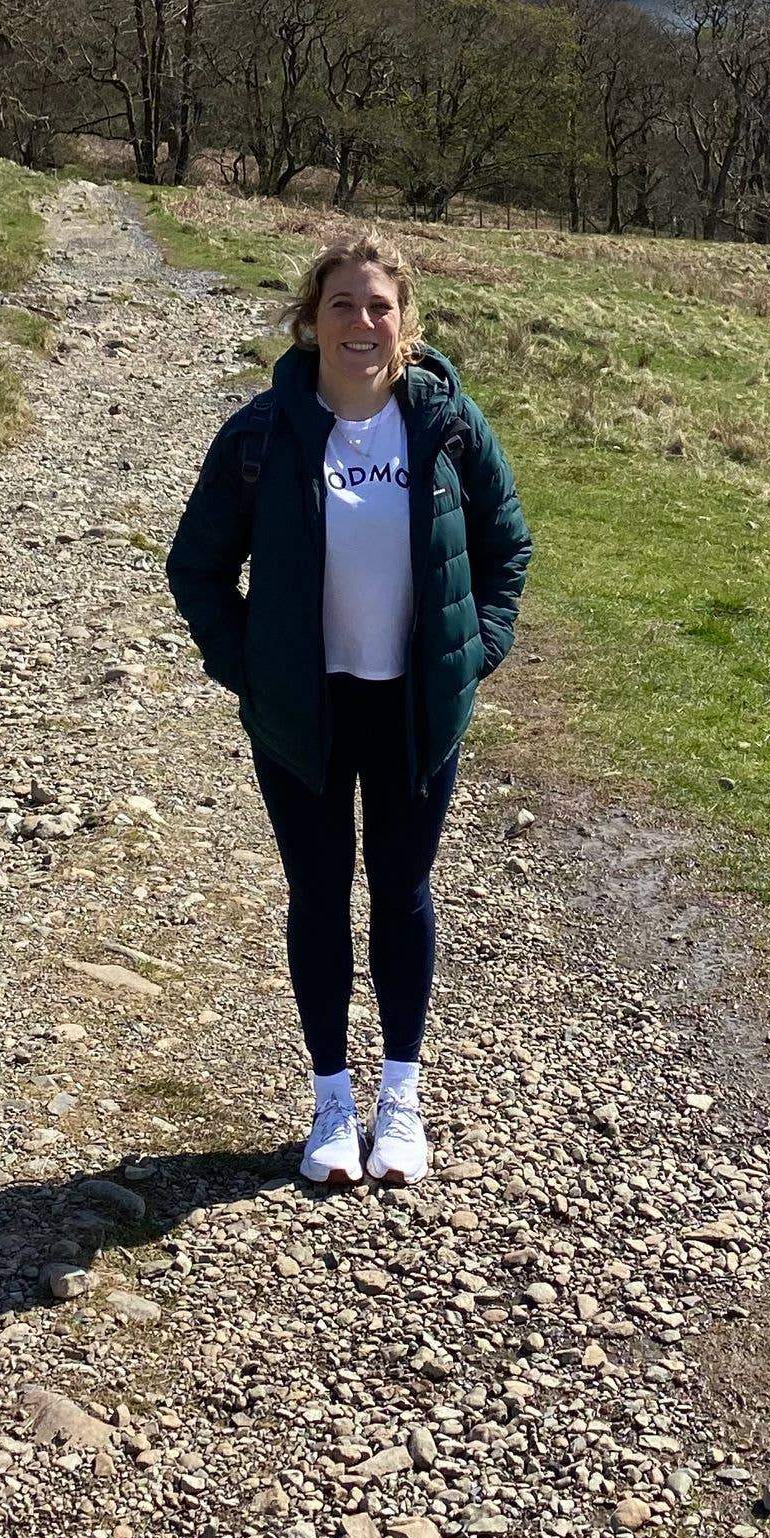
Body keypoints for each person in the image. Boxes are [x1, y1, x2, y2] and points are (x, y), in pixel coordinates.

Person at [166, 232, 530, 1188]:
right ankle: (332, 1100)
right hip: (305, 714)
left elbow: (507, 547)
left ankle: (400, 1099)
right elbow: (196, 566)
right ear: (309, 318)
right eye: (342, 305)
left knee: (403, 895)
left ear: (405, 322)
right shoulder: (262, 434)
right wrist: (253, 670)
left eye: (379, 306)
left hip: (412, 709)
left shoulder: (447, 425)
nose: (361, 323)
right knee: (319, 898)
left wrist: (472, 654)